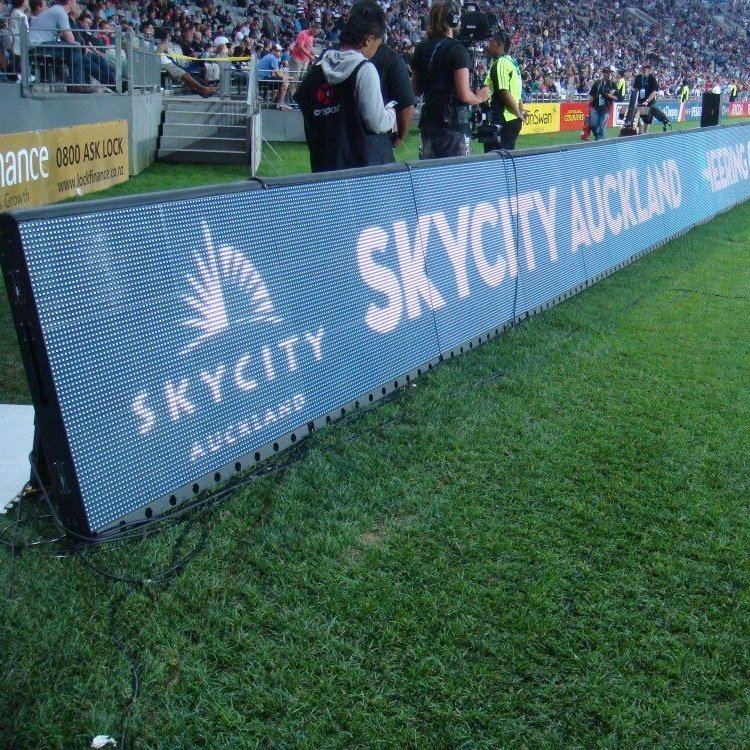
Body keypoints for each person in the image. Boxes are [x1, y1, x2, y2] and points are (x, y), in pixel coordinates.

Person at [294, 0, 396, 172]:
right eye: (377, 45)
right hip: (357, 168)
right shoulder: (364, 69)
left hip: (323, 166)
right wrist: (391, 114)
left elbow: (305, 109)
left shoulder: (317, 69)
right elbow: (376, 122)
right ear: (369, 40)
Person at [411, 0, 490, 159]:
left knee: (430, 173)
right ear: (452, 19)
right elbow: (464, 95)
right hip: (454, 127)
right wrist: (480, 97)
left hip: (429, 125)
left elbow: (416, 89)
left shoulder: (421, 48)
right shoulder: (457, 50)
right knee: (457, 174)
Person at [28, 0, 118, 91]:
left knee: (86, 55)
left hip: (41, 44)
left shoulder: (57, 10)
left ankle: (113, 82)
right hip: (37, 46)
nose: (77, 5)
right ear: (69, 1)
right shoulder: (60, 12)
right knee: (75, 48)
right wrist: (80, 46)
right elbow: (70, 39)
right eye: (75, 2)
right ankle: (77, 83)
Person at [483, 27, 526, 151]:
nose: (488, 45)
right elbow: (517, 93)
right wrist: (520, 111)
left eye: (491, 42)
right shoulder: (511, 62)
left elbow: (504, 92)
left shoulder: (501, 63)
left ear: (499, 45)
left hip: (502, 119)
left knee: (496, 157)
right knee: (506, 156)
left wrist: (518, 113)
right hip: (511, 118)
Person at [370, 38, 415, 151]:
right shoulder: (391, 58)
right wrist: (400, 136)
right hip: (377, 139)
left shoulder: (333, 56)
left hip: (339, 142)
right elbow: (406, 105)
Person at [154, 26, 217, 97]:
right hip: (164, 64)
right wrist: (162, 46)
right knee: (186, 75)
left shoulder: (161, 43)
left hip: (168, 61)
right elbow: (159, 51)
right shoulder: (156, 44)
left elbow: (166, 52)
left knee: (187, 76)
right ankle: (203, 88)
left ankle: (202, 91)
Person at [289, 18, 319, 96]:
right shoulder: (303, 34)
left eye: (317, 32)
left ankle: (298, 95)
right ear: (311, 28)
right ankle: (292, 96)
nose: (315, 34)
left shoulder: (311, 36)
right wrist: (309, 55)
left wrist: (312, 53)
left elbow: (308, 47)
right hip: (297, 59)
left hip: (305, 61)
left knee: (302, 79)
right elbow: (300, 47)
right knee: (294, 78)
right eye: (315, 31)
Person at [587, 65, 618, 141]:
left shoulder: (613, 84)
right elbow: (592, 94)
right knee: (593, 124)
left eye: (610, 73)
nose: (609, 74)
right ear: (603, 73)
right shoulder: (597, 83)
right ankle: (597, 137)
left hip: (606, 108)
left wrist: (608, 95)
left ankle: (601, 141)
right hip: (595, 106)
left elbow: (616, 98)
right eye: (607, 73)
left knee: (602, 126)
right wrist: (588, 105)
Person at [257, 42, 290, 109]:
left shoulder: (269, 56)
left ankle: (279, 103)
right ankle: (280, 104)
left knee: (283, 82)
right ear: (273, 51)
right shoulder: (273, 58)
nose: (280, 53)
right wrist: (288, 77)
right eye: (278, 51)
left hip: (260, 78)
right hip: (262, 79)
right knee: (285, 82)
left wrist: (285, 77)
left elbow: (275, 74)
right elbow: (278, 74)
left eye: (280, 51)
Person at [633, 62, 659, 133]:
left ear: (649, 70)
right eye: (642, 68)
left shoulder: (652, 79)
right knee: (637, 116)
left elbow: (654, 92)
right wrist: (635, 99)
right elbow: (635, 89)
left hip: (649, 101)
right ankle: (639, 132)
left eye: (645, 69)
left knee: (647, 118)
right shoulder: (638, 77)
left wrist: (647, 101)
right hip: (640, 100)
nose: (643, 70)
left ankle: (646, 133)